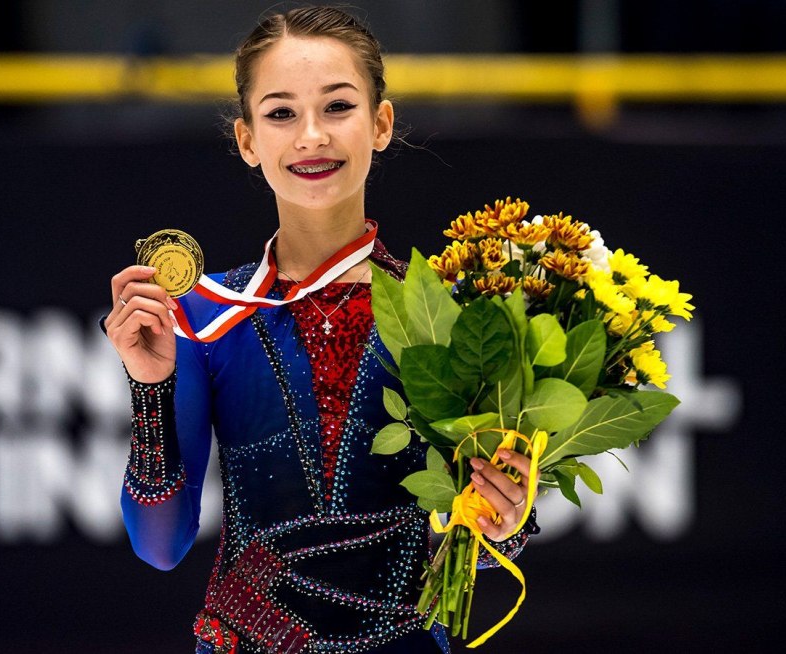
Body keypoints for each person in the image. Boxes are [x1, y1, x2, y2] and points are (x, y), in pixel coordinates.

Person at [103, 6, 539, 653]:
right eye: (281, 113)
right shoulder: (203, 313)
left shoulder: (451, 316)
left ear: (381, 123)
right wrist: (149, 387)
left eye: (337, 106)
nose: (311, 135)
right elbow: (160, 545)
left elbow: (464, 550)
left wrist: (503, 525)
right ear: (248, 139)